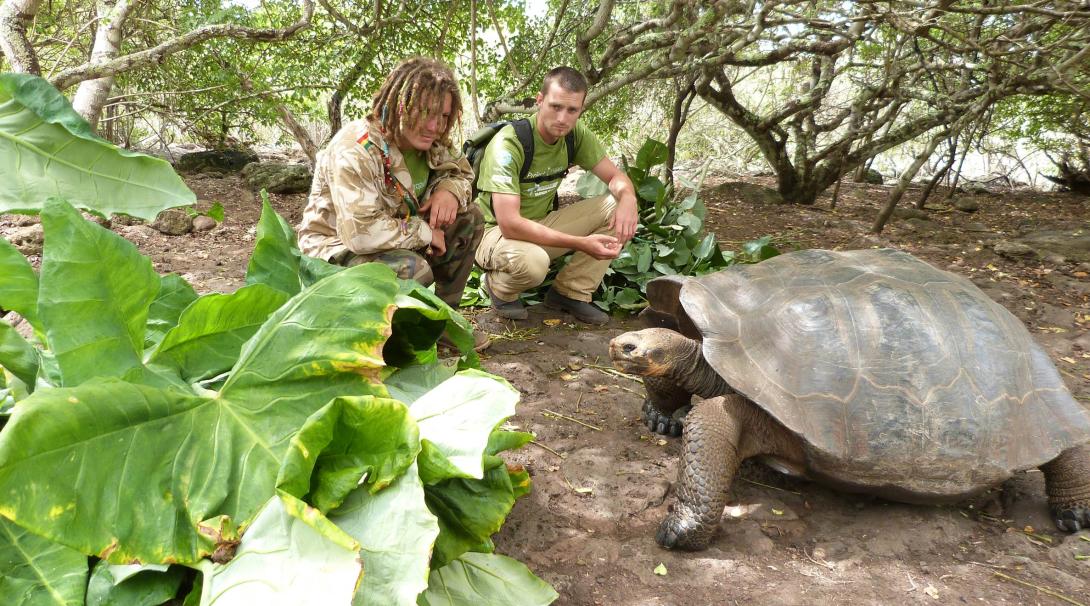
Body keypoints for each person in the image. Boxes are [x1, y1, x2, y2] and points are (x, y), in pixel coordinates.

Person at [298, 56, 488, 350]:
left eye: (443, 116)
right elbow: (361, 234)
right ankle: (382, 338)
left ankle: (443, 318)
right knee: (412, 269)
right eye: (424, 112)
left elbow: (464, 174)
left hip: (399, 235)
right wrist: (425, 232)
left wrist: (449, 191)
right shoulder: (356, 149)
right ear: (399, 103)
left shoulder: (435, 141)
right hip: (336, 249)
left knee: (470, 219)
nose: (434, 125)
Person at [473, 66, 638, 325]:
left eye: (572, 110)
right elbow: (510, 224)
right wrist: (580, 243)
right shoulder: (509, 143)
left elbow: (616, 178)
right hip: (495, 233)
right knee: (534, 264)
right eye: (555, 106)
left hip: (541, 222)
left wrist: (629, 199)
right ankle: (499, 287)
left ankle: (570, 292)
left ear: (581, 109)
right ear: (539, 101)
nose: (563, 118)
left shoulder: (575, 135)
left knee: (616, 205)